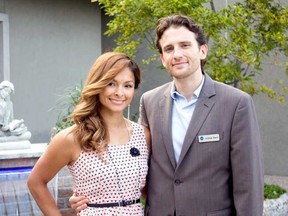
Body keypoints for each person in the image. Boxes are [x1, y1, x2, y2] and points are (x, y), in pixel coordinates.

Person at [69, 14, 264, 216]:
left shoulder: (236, 103)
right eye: (169, 49)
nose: (177, 54)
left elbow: (248, 182)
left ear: (203, 51)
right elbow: (136, 164)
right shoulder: (150, 101)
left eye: (185, 45)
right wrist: (89, 193)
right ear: (163, 59)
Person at [27, 52, 150, 216]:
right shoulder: (72, 138)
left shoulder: (143, 135)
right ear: (98, 84)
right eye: (111, 84)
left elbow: (149, 189)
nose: (120, 93)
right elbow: (36, 182)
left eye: (127, 85)